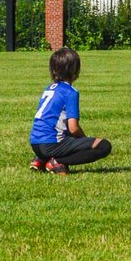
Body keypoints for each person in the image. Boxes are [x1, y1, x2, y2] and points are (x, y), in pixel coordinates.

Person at [29, 47, 112, 175]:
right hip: (51, 144)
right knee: (104, 146)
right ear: (75, 70)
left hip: (35, 143)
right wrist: (84, 141)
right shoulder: (70, 92)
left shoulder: (49, 88)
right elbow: (73, 128)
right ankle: (57, 162)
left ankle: (40, 159)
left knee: (64, 133)